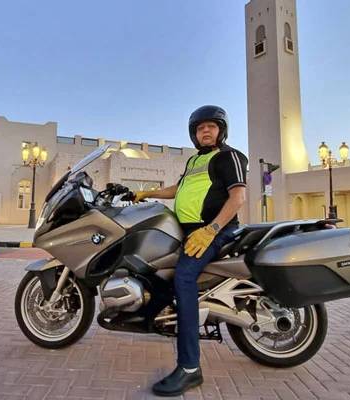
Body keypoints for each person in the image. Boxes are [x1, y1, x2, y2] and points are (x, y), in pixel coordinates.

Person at [133, 105, 248, 397]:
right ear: (194, 134)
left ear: (221, 130)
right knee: (155, 267)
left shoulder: (229, 156)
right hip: (189, 231)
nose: (205, 131)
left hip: (215, 230)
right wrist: (146, 193)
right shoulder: (196, 160)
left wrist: (211, 230)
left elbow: (238, 196)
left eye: (211, 126)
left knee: (183, 278)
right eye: (200, 128)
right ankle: (152, 318)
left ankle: (189, 368)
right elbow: (178, 188)